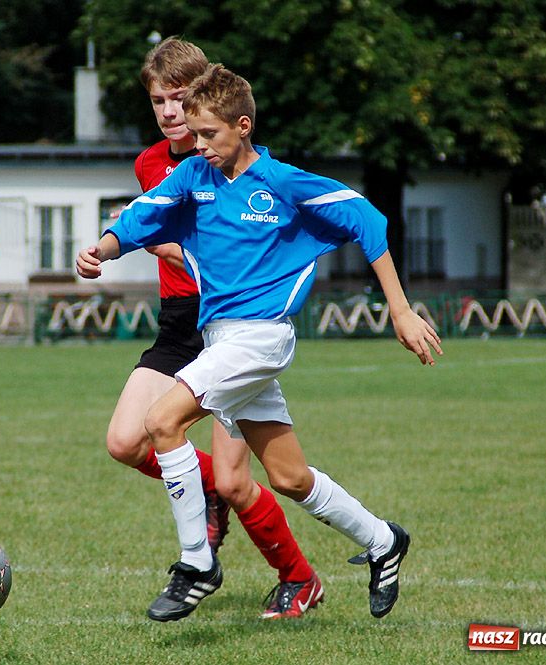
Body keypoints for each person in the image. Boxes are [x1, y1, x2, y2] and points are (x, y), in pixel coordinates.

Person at [77, 63, 443, 621]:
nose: (198, 144)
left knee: (161, 422)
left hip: (260, 339)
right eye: (194, 134)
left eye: (208, 134)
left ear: (243, 126)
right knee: (289, 477)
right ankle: (383, 540)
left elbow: (368, 221)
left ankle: (197, 563)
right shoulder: (194, 177)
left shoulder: (283, 183)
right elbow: (140, 217)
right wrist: (100, 250)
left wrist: (400, 309)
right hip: (219, 341)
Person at [104, 38, 322, 621]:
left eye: (179, 98)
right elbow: (155, 228)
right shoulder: (150, 164)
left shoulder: (230, 162)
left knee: (234, 481)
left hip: (233, 323)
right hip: (180, 323)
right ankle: (200, 490)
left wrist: (158, 243)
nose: (170, 112)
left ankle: (299, 579)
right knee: (124, 441)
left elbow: (217, 248)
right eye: (158, 101)